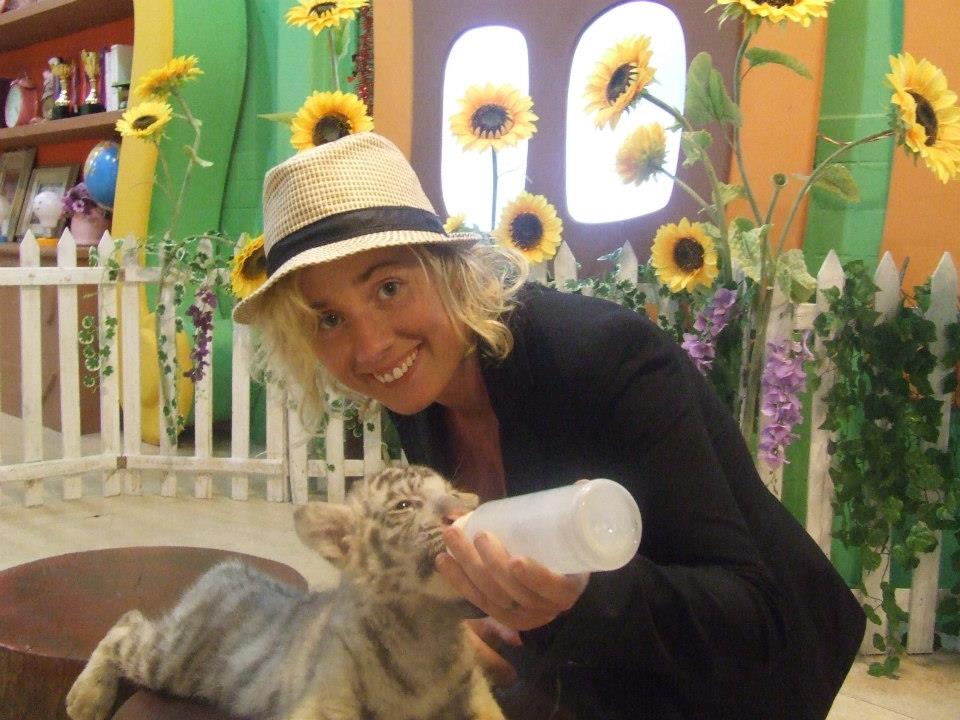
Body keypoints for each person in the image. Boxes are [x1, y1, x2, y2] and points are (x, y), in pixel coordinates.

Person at [233, 132, 866, 720]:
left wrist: (579, 601)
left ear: (448, 270)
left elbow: (752, 618)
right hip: (600, 678)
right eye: (329, 319)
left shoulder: (607, 359)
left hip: (743, 686)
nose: (371, 346)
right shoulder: (421, 391)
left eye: (389, 288)